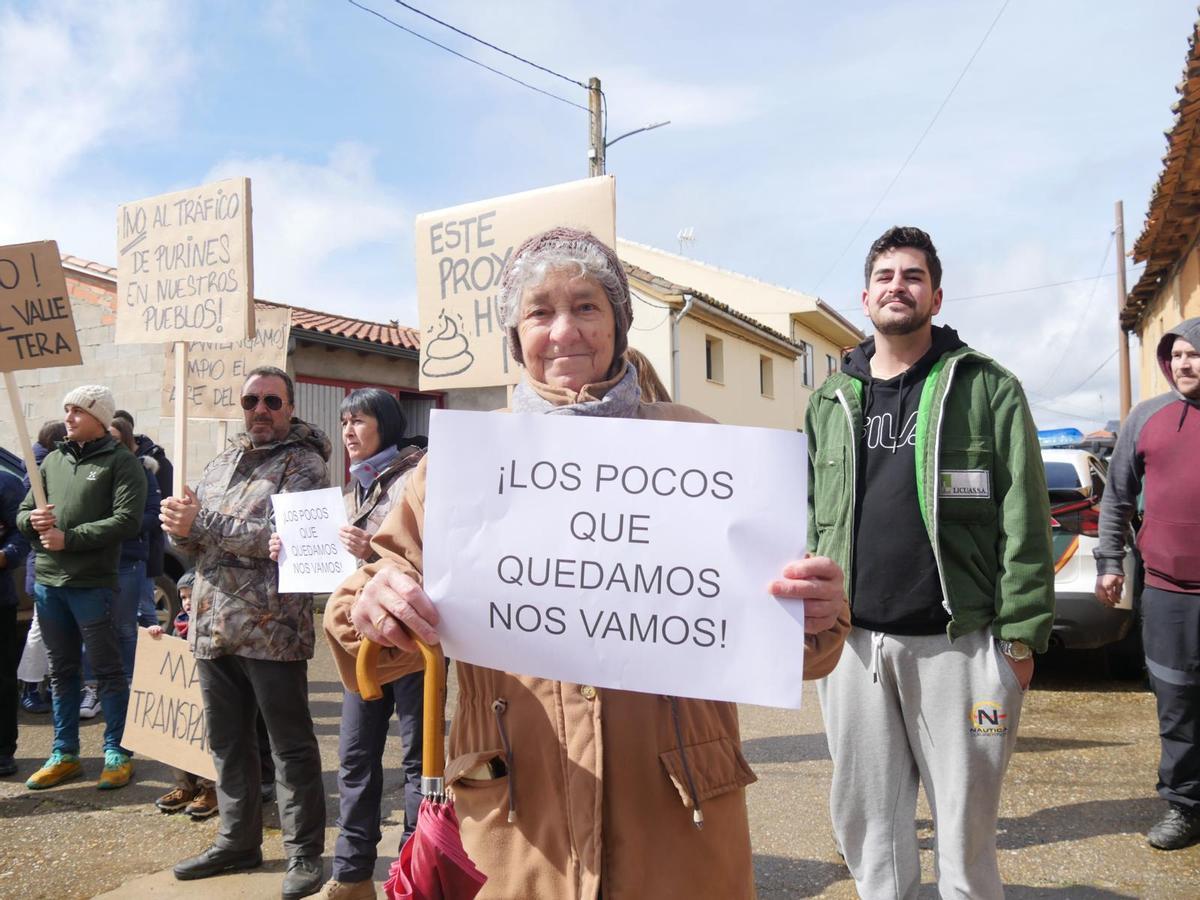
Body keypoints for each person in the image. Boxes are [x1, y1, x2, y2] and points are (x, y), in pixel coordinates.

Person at [324, 227, 850, 899]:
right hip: (517, 828)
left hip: (678, 823)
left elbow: (792, 642)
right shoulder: (459, 469)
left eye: (587, 306)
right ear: (516, 337)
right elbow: (368, 632)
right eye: (540, 311)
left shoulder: (702, 448)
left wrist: (816, 612)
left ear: (619, 324)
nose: (564, 330)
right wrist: (372, 606)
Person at [808, 226, 1054, 899]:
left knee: (966, 830)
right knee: (868, 826)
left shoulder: (987, 387)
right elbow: (811, 520)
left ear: (936, 296)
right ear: (865, 296)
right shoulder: (829, 402)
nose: (898, 286)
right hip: (855, 646)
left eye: (913, 276)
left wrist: (1021, 638)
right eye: (885, 275)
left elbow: (1025, 517)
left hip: (961, 645)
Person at [161, 366, 330, 900]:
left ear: (291, 407)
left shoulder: (304, 465)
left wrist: (201, 525)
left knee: (290, 746)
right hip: (213, 626)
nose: (261, 409)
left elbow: (282, 538)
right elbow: (198, 545)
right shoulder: (219, 464)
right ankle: (237, 839)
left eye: (272, 402)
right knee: (228, 742)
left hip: (272, 629)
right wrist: (177, 529)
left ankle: (304, 851)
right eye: (251, 400)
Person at [268, 389, 425, 900]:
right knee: (356, 758)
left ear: (387, 424)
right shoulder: (356, 487)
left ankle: (412, 871)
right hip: (359, 645)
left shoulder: (417, 476)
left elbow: (426, 552)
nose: (349, 432)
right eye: (344, 423)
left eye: (359, 421)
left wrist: (372, 546)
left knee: (421, 764)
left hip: (412, 645)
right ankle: (354, 874)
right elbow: (342, 570)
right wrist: (290, 550)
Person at [1095, 316, 1200, 851]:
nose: (1185, 364)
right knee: (1176, 701)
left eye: (1195, 354)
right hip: (1169, 591)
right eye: (1177, 355)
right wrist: (1109, 562)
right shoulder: (1148, 417)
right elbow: (1116, 496)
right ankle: (1185, 806)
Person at [17, 385, 147, 791]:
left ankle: (118, 751)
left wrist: (68, 538)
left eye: (78, 411)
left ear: (100, 418)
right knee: (61, 670)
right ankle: (64, 753)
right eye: (67, 410)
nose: (69, 417)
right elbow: (23, 512)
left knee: (107, 671)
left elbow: (127, 520)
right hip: (49, 583)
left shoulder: (121, 463)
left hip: (92, 584)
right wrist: (33, 523)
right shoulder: (52, 461)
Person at [18, 421, 67, 715]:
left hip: (50, 563)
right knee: (42, 628)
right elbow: (26, 518)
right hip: (44, 563)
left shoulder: (40, 465)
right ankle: (31, 684)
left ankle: (41, 683)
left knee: (51, 629)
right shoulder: (39, 471)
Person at [112, 410, 173, 629]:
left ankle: (150, 660)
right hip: (114, 554)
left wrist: (123, 527)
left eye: (115, 439)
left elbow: (158, 510)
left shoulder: (151, 466)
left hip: (142, 550)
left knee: (144, 609)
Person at [0, 459, 31, 777]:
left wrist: (5, 556)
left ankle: (3, 751)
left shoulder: (5, 484)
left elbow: (23, 536)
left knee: (3, 680)